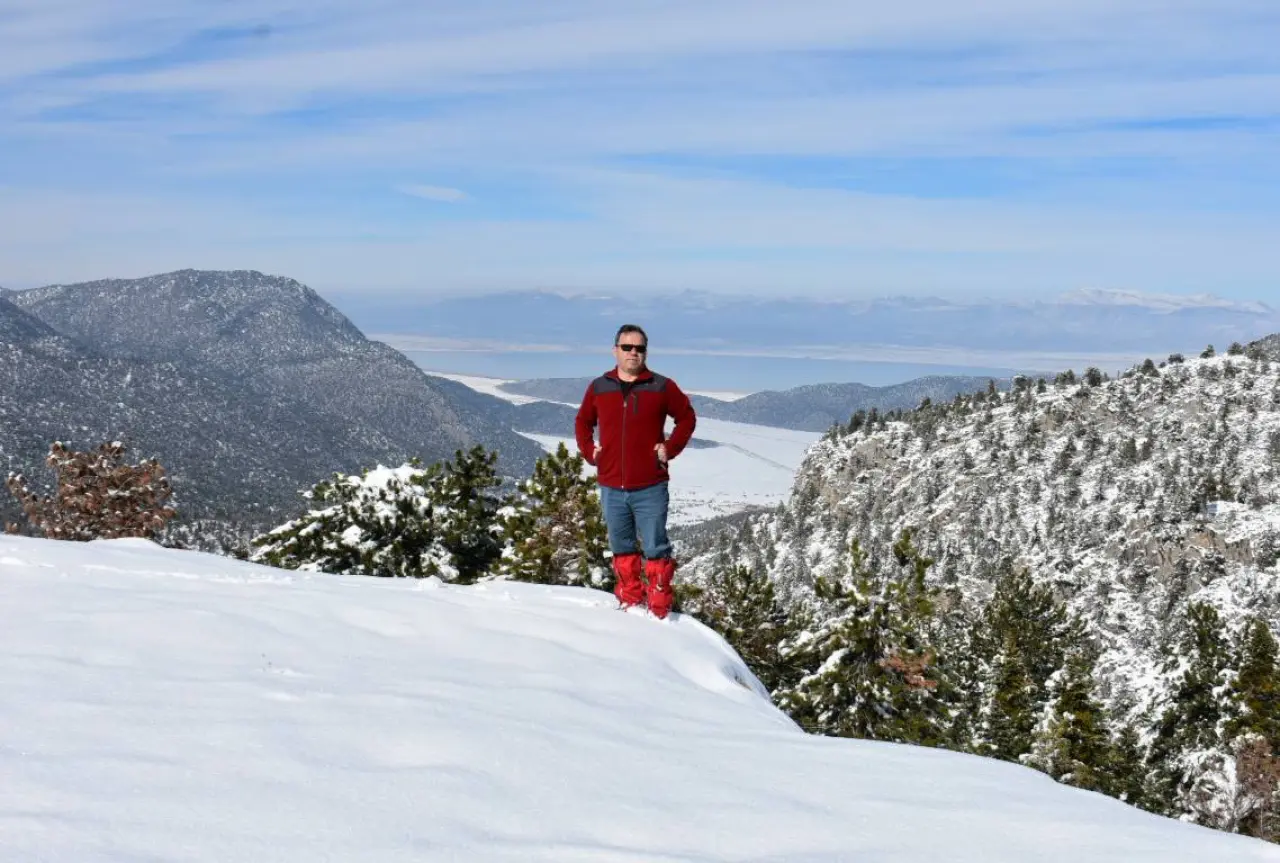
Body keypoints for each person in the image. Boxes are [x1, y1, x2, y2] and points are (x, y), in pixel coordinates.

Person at [575, 324, 696, 618]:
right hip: (611, 485)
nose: (633, 353)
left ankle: (659, 609)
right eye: (627, 347)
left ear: (646, 352)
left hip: (650, 486)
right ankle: (630, 604)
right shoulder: (599, 386)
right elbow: (583, 422)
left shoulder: (661, 386)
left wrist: (670, 448)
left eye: (639, 348)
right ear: (615, 350)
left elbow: (686, 417)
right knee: (621, 547)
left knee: (656, 548)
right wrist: (590, 452)